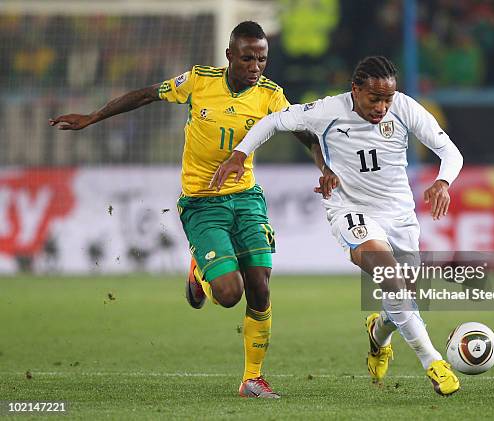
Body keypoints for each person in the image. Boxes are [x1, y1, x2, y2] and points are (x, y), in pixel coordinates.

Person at [49, 21, 323, 399]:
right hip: (201, 202)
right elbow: (146, 95)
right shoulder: (199, 81)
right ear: (229, 56)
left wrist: (325, 169)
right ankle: (199, 272)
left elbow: (305, 134)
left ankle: (252, 379)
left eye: (262, 58)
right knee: (229, 294)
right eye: (247, 58)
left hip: (245, 198)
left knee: (260, 285)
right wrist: (94, 117)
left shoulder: (271, 96)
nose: (255, 66)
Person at [211, 56, 464, 396]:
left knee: (403, 295)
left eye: (387, 98)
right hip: (350, 209)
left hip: (400, 215)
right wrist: (239, 155)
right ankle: (433, 362)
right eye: (374, 98)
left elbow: (450, 152)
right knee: (390, 277)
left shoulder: (404, 108)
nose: (382, 106)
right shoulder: (328, 110)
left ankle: (378, 333)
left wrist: (443, 181)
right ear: (355, 90)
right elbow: (272, 122)